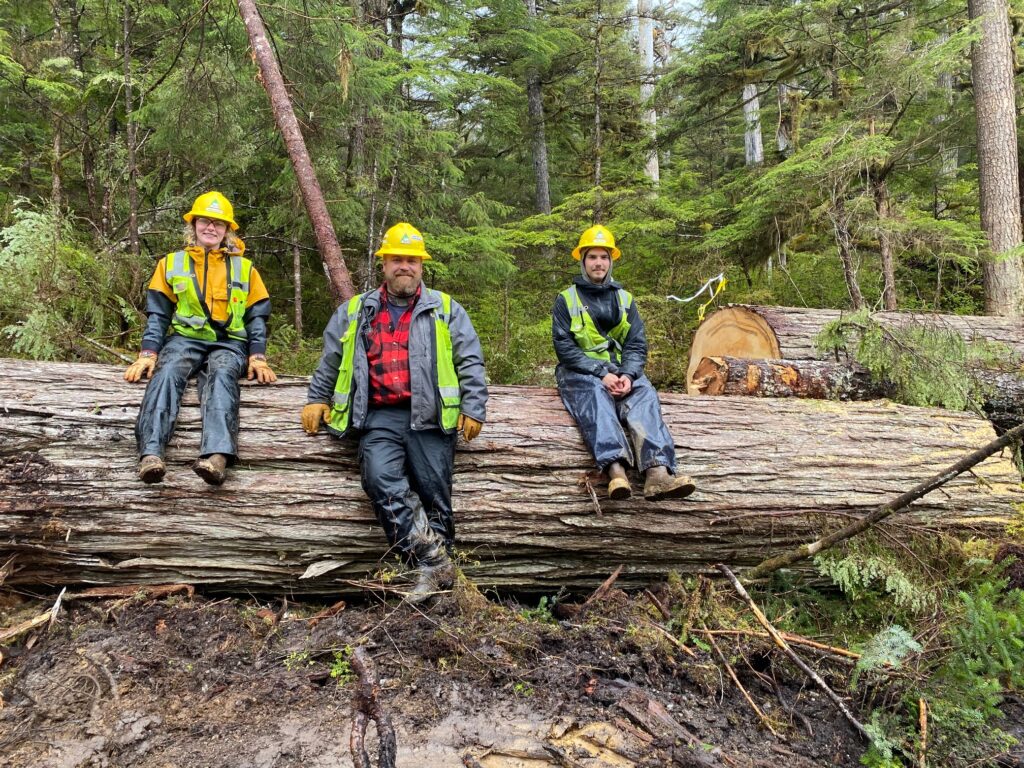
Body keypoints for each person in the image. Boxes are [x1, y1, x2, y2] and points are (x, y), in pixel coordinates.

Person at [301, 221, 487, 603]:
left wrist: (473, 406)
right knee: (380, 479)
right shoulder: (357, 309)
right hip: (380, 416)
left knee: (435, 498)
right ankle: (433, 562)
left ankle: (441, 589)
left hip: (432, 417)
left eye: (412, 260)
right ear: (383, 263)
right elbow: (332, 359)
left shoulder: (446, 309)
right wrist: (317, 397)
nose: (405, 266)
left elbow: (470, 361)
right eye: (397, 259)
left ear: (421, 265)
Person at [124, 191, 277, 485]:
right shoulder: (171, 264)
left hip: (230, 342)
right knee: (166, 372)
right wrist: (148, 352)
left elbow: (256, 316)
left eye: (219, 224)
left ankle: (216, 457)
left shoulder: (245, 269)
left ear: (228, 230)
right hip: (185, 339)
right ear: (193, 225)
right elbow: (159, 314)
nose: (211, 228)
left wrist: (257, 355)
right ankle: (151, 454)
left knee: (222, 375)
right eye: (205, 221)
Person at [552, 224, 695, 501]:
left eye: (604, 257)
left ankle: (658, 473)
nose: (598, 263)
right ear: (582, 260)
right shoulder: (566, 300)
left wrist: (628, 375)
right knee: (595, 395)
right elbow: (564, 348)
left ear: (611, 260)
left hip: (619, 370)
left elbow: (636, 344)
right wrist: (600, 373)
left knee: (643, 392)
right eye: (592, 257)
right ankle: (616, 472)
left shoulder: (625, 299)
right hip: (580, 372)